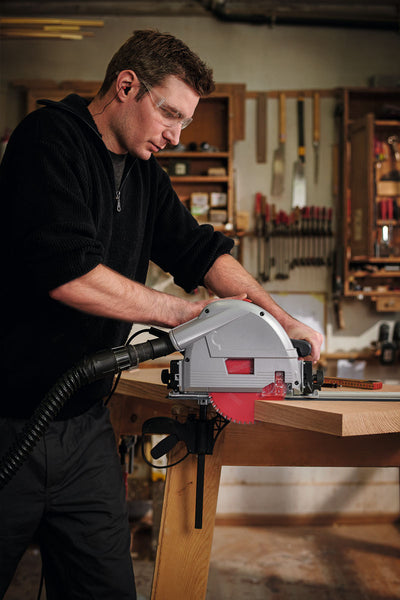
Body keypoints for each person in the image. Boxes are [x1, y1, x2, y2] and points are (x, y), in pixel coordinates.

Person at [0, 29, 323, 599]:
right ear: (127, 86)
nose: (175, 135)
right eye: (169, 114)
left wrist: (281, 322)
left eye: (186, 124)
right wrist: (187, 313)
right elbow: (67, 273)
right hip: (9, 425)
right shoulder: (49, 140)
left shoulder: (146, 174)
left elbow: (200, 252)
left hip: (84, 431)